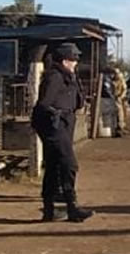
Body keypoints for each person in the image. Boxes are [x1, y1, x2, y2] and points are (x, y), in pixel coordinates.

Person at [31, 42, 93, 223]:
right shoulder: (55, 77)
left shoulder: (68, 76)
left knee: (54, 166)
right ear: (66, 60)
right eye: (74, 59)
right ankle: (71, 207)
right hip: (54, 126)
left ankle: (50, 210)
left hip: (62, 125)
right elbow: (44, 103)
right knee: (69, 164)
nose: (76, 62)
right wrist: (56, 115)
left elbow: (78, 102)